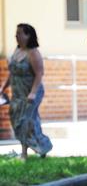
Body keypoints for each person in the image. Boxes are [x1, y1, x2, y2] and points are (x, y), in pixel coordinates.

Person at [0, 24, 52, 160]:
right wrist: (3, 88)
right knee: (16, 120)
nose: (16, 36)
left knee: (26, 121)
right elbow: (12, 73)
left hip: (31, 92)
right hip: (17, 93)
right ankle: (42, 147)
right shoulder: (17, 51)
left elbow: (39, 74)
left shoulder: (33, 52)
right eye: (16, 33)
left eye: (19, 33)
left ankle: (26, 153)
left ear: (28, 35)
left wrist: (33, 93)